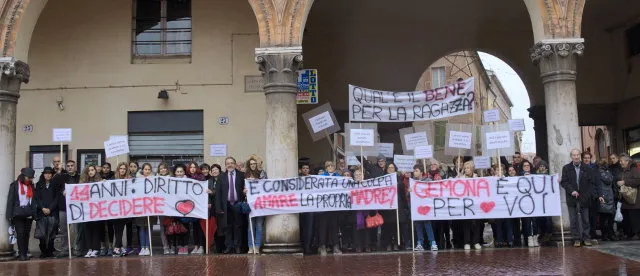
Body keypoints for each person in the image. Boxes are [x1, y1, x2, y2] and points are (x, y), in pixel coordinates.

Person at [560, 149, 604, 247]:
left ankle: (586, 238)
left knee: (586, 219)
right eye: (574, 155)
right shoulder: (566, 168)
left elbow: (592, 183)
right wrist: (572, 191)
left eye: (577, 155)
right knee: (573, 219)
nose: (576, 157)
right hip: (571, 197)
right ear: (571, 156)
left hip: (584, 197)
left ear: (580, 156)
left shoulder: (587, 168)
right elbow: (564, 182)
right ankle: (576, 239)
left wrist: (588, 194)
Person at [215, 157, 246, 254]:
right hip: (226, 205)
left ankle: (237, 247)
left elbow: (246, 189)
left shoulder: (242, 175)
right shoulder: (221, 177)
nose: (230, 165)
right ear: (225, 165)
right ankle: (229, 246)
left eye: (232, 163)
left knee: (238, 226)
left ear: (235, 164)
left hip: (238, 204)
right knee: (227, 227)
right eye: (228, 163)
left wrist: (245, 192)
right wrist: (219, 207)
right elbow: (218, 194)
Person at [6, 168, 38, 261]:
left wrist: (34, 214)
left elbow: (33, 201)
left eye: (31, 178)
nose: (30, 179)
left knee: (26, 234)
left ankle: (25, 252)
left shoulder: (31, 186)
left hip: (28, 212)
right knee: (20, 233)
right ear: (23, 176)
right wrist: (9, 214)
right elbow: (10, 200)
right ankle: (21, 254)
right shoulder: (15, 185)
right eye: (29, 177)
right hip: (18, 213)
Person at [52, 159, 80, 257]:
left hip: (76, 207)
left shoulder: (79, 177)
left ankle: (76, 248)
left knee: (76, 229)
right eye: (68, 166)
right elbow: (54, 185)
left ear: (75, 167)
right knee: (64, 229)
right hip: (63, 207)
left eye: (72, 165)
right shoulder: (61, 177)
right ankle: (65, 249)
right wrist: (61, 191)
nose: (70, 167)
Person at [381, 163, 409, 251]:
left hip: (398, 206)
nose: (390, 169)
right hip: (387, 207)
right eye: (389, 168)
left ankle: (397, 243)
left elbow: (402, 195)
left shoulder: (399, 182)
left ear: (395, 169)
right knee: (388, 227)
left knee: (397, 227)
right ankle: (388, 244)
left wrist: (405, 207)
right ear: (386, 169)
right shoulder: (382, 180)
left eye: (392, 168)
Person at [316, 161, 342, 255]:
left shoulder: (338, 177)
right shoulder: (321, 177)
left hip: (334, 207)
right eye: (328, 166)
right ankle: (322, 246)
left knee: (334, 227)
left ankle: (335, 246)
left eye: (332, 165)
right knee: (323, 227)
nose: (330, 167)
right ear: (326, 168)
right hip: (323, 207)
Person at [410, 164, 438, 251]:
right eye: (414, 171)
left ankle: (433, 243)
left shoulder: (428, 180)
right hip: (417, 207)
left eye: (416, 171)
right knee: (418, 225)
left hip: (426, 207)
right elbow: (409, 195)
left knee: (427, 224)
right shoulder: (412, 182)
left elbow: (433, 190)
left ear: (421, 172)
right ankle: (420, 243)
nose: (414, 172)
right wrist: (409, 191)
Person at [457, 161, 482, 250]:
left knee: (476, 223)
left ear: (472, 169)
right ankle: (467, 242)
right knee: (466, 223)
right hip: (466, 204)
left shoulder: (477, 177)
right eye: (465, 168)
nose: (466, 170)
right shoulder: (461, 178)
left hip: (475, 203)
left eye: (468, 168)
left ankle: (476, 242)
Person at [35, 167, 59, 258]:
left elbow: (57, 198)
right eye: (46, 173)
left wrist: (50, 208)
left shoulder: (55, 185)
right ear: (43, 174)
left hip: (52, 212)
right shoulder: (38, 185)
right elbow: (37, 198)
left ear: (52, 175)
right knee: (42, 234)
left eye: (50, 173)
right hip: (42, 212)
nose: (48, 175)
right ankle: (43, 251)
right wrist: (42, 208)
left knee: (51, 233)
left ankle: (50, 251)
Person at [81, 165, 103, 257]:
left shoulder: (100, 182)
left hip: (97, 210)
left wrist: (104, 183)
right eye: (89, 170)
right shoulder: (82, 183)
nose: (90, 172)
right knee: (87, 230)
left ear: (95, 171)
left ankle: (96, 249)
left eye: (92, 170)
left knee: (96, 230)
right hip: (86, 211)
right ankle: (89, 248)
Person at [246, 157, 266, 254]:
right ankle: (250, 247)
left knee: (259, 226)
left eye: (254, 163)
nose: (253, 165)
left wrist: (257, 179)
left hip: (260, 204)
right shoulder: (245, 175)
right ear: (249, 165)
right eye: (251, 164)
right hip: (250, 204)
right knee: (250, 226)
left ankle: (257, 246)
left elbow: (266, 185)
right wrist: (244, 190)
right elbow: (243, 189)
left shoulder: (262, 174)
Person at [618, 155, 640, 240]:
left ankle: (636, 233)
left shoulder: (633, 169)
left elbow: (638, 180)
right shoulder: (623, 170)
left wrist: (624, 182)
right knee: (627, 217)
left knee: (634, 217)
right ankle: (629, 233)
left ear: (627, 161)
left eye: (621, 161)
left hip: (634, 199)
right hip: (626, 198)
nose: (620, 163)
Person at [111, 162, 130, 257]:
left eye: (124, 169)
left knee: (121, 229)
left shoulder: (129, 180)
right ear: (118, 169)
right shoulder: (113, 180)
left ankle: (118, 247)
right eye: (121, 168)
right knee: (117, 228)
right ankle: (118, 247)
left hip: (124, 209)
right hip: (114, 208)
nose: (122, 170)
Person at [135, 163, 154, 256]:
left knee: (149, 228)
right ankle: (143, 247)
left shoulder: (155, 180)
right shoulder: (137, 180)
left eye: (148, 169)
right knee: (142, 228)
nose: (147, 171)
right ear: (142, 170)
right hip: (140, 208)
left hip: (151, 208)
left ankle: (148, 247)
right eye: (145, 169)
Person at [582, 152, 602, 240]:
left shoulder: (595, 169)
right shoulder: (580, 168)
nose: (587, 159)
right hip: (584, 196)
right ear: (582, 159)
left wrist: (600, 195)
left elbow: (598, 183)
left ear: (590, 159)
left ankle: (593, 233)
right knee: (586, 216)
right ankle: (586, 234)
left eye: (588, 158)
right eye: (585, 158)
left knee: (593, 216)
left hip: (594, 195)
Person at [596, 159, 616, 241]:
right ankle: (607, 234)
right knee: (607, 217)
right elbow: (609, 180)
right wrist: (609, 173)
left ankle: (606, 234)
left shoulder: (599, 172)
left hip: (606, 196)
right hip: (606, 197)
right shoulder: (603, 172)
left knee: (604, 217)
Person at [520, 160, 539, 247]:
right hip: (524, 203)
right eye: (525, 166)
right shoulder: (519, 177)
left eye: (528, 165)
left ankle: (535, 237)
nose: (526, 167)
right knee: (527, 221)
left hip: (534, 202)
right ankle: (529, 238)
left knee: (534, 221)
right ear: (522, 167)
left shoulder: (535, 176)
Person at [156, 163, 173, 254]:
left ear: (167, 169)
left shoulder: (172, 179)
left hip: (171, 207)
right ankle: (165, 247)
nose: (163, 170)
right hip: (161, 207)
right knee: (163, 227)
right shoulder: (155, 180)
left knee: (171, 226)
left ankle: (172, 246)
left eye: (164, 168)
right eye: (161, 169)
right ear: (159, 170)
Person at [298, 164, 315, 254]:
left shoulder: (313, 179)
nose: (305, 170)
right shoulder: (297, 180)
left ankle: (307, 248)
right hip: (299, 207)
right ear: (301, 170)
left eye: (307, 168)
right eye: (303, 168)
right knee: (301, 228)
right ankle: (302, 246)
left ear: (309, 170)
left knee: (309, 228)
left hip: (310, 207)